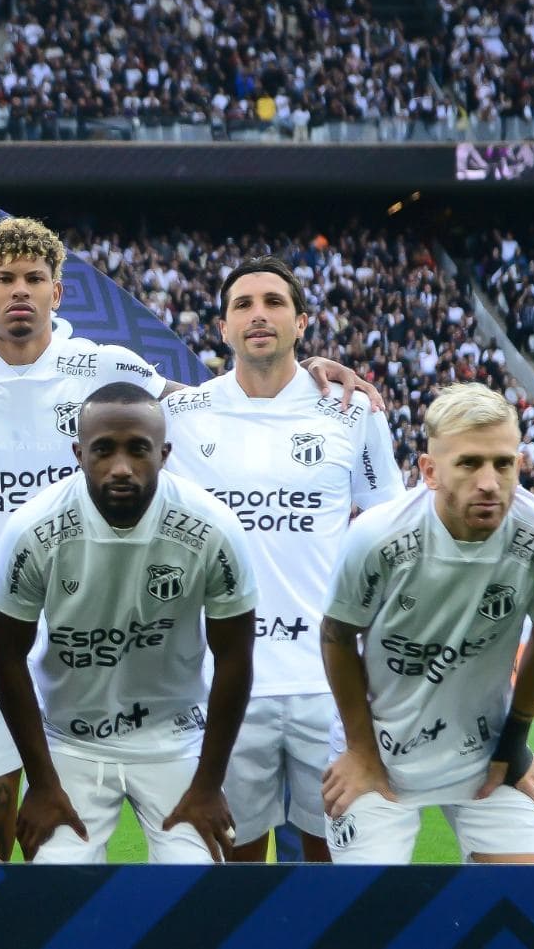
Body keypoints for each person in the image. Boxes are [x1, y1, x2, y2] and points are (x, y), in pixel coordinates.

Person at [0, 217, 172, 855]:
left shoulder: (104, 367)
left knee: (68, 811)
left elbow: (206, 406)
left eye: (34, 277)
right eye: (5, 279)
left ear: (58, 292)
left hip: (86, 619)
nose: (19, 289)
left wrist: (307, 371)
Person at [160, 255, 404, 863]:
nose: (258, 315)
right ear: (222, 328)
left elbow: (391, 532)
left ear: (302, 322)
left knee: (329, 862)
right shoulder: (180, 415)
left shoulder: (354, 410)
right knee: (234, 863)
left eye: (274, 302)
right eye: (242, 305)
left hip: (328, 681)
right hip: (221, 680)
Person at [0, 384, 257, 862]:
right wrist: (43, 782)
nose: (120, 467)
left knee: (196, 880)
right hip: (70, 740)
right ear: (78, 454)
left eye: (138, 449)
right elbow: (6, 655)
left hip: (173, 738)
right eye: (103, 450)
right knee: (55, 880)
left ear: (164, 454)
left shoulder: (213, 526)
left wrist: (208, 783)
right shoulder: (33, 528)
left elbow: (235, 656)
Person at [320, 383, 534, 863]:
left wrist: (515, 743)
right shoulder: (377, 535)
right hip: (380, 754)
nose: (489, 482)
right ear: (430, 471)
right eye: (469, 463)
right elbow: (336, 637)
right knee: (368, 906)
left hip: (486, 754)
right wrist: (359, 749)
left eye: (503, 464)